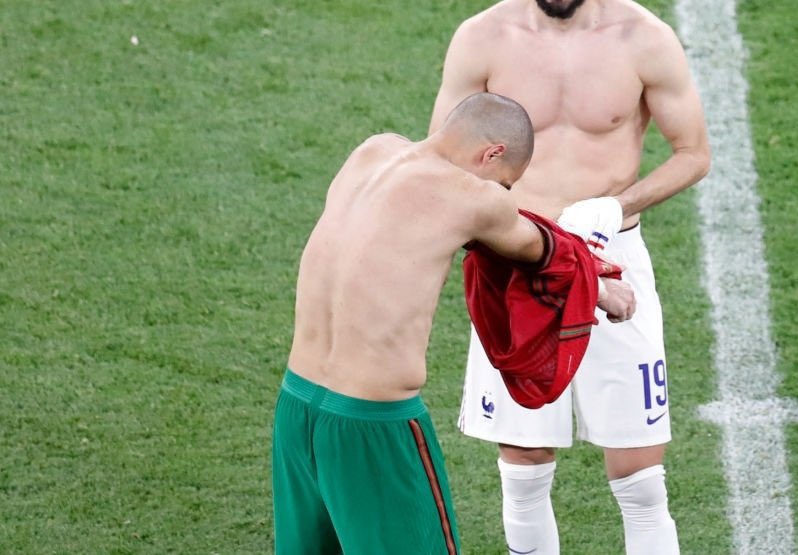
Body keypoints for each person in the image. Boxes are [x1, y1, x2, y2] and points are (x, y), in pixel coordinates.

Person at [428, 0, 711, 555]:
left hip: (613, 258)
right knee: (524, 468)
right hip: (515, 264)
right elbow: (443, 157)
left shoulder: (644, 39)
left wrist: (614, 207)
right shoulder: (482, 40)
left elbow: (694, 153)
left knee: (641, 476)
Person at [271, 92, 635, 555]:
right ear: (492, 154)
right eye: (505, 183)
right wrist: (603, 290)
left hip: (297, 407)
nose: (503, 195)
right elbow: (541, 252)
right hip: (373, 423)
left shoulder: (371, 152)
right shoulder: (473, 198)